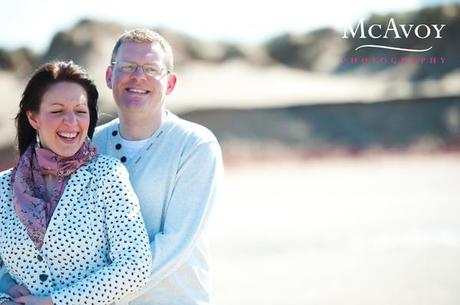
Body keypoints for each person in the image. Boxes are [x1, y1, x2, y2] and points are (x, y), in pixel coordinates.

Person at [0, 61, 152, 305]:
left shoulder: (108, 176)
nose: (71, 122)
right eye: (57, 111)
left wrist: (54, 302)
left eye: (80, 111)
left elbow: (135, 267)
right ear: (33, 117)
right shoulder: (3, 187)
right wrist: (5, 289)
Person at [92, 29, 223, 305]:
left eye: (151, 68)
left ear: (171, 83)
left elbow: (174, 244)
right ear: (108, 76)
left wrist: (90, 296)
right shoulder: (90, 145)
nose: (138, 76)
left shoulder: (195, 145)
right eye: (126, 66)